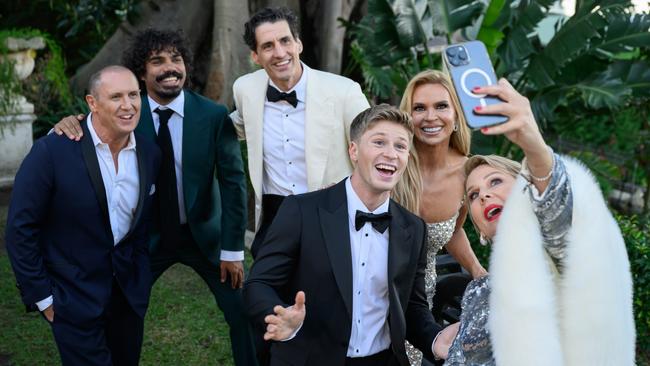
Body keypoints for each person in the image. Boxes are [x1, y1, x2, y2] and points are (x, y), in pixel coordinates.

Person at [52, 29, 257, 366]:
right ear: (141, 72)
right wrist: (64, 125)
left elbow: (233, 185)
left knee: (243, 312)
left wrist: (233, 249)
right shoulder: (125, 114)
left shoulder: (212, 115)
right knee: (121, 317)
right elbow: (88, 127)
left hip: (205, 235)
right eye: (157, 61)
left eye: (176, 59)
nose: (169, 67)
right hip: (145, 239)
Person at [243, 104, 459, 366]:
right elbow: (259, 284)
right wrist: (278, 315)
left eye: (401, 146)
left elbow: (411, 308)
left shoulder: (413, 228)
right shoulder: (301, 210)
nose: (390, 153)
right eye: (379, 142)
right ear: (353, 150)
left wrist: (436, 339)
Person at [444, 79, 635, 365]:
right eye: (473, 195)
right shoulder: (477, 291)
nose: (484, 194)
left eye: (495, 181)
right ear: (478, 230)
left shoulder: (554, 256)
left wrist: (531, 142)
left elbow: (558, 211)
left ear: (526, 189)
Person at [6, 66, 161, 365]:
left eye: (133, 94)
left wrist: (141, 276)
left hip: (128, 299)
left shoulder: (149, 153)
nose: (128, 105)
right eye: (116, 97)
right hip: (70, 298)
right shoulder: (51, 152)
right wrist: (44, 298)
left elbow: (142, 224)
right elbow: (20, 229)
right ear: (92, 103)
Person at [230, 6, 370, 258]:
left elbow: (373, 149)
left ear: (299, 44)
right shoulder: (245, 89)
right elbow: (235, 126)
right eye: (268, 46)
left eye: (285, 41)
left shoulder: (344, 91)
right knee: (264, 290)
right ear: (255, 56)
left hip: (330, 209)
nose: (280, 52)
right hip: (274, 214)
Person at [392, 70, 487, 365]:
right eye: (419, 108)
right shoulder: (391, 162)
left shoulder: (467, 173)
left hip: (418, 299)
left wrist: (478, 271)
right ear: (407, 117)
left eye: (441, 106)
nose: (430, 116)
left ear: (456, 115)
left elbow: (452, 231)